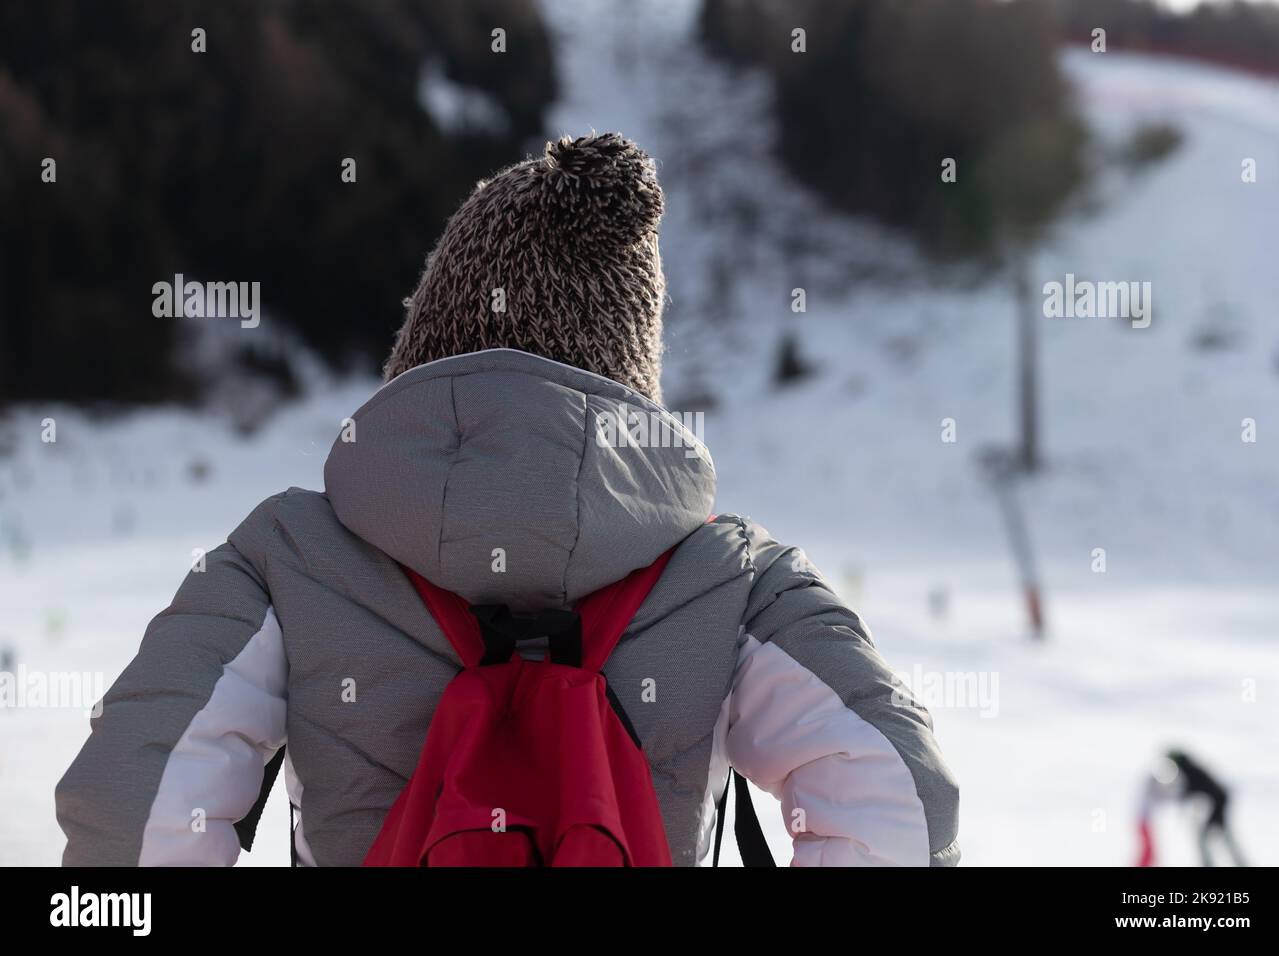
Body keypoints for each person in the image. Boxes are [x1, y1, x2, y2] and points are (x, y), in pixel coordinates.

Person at [55, 132, 959, 867]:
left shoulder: (286, 555)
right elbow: (899, 802)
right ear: (631, 386)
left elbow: (129, 807)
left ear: (423, 356)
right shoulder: (738, 580)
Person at [1136, 749, 1246, 867]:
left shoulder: (1189, 771)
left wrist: (1181, 800)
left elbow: (1190, 790)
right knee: (1218, 835)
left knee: (1207, 837)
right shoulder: (1191, 768)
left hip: (1219, 803)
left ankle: (1214, 864)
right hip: (1219, 802)